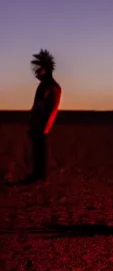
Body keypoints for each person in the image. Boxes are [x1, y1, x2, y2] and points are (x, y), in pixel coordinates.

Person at [26, 49, 62, 183]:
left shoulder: (52, 87)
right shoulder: (46, 86)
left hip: (42, 125)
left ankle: (40, 175)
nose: (37, 73)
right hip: (38, 124)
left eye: (39, 70)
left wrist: (44, 127)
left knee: (41, 149)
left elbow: (51, 109)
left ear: (45, 69)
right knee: (37, 150)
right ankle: (38, 173)